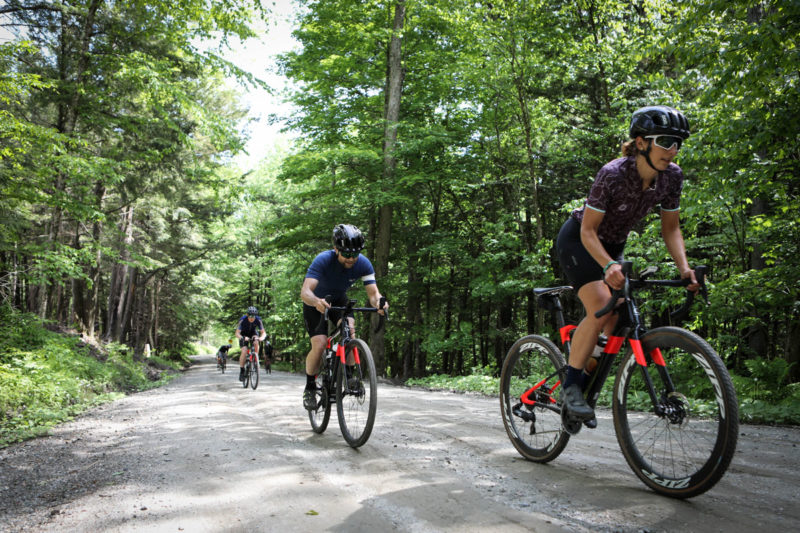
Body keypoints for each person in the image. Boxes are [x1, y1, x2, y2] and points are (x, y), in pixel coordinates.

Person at [555, 105, 699, 426]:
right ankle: (570, 386)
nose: (672, 150)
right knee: (601, 306)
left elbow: (671, 228)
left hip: (614, 245)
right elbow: (588, 230)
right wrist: (607, 266)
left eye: (677, 143)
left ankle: (588, 363)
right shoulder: (613, 174)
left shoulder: (672, 177)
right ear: (640, 142)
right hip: (580, 241)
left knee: (618, 310)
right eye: (664, 141)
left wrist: (685, 269)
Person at [300, 224, 388, 409]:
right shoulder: (323, 260)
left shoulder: (363, 263)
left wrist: (380, 303)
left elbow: (373, 294)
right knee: (321, 343)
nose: (351, 259)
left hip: (339, 300)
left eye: (355, 254)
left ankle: (349, 375)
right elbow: (305, 292)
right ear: (336, 249)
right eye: (346, 254)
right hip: (316, 302)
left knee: (350, 332)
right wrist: (316, 301)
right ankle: (309, 386)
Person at [235, 306, 266, 382]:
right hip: (243, 334)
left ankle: (255, 359)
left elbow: (263, 333)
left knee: (256, 341)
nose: (252, 318)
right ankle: (242, 370)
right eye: (250, 316)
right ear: (247, 315)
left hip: (253, 333)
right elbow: (237, 333)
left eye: (253, 316)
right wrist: (242, 338)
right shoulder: (243, 320)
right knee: (244, 350)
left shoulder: (258, 320)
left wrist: (261, 338)